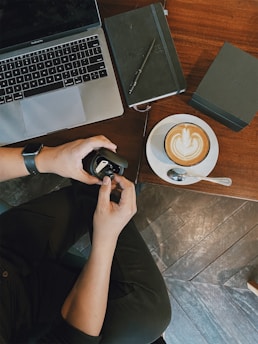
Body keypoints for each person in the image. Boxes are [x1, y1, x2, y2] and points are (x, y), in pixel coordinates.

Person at [0, 135, 171, 343]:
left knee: (92, 177)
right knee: (147, 315)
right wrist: (105, 240)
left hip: (8, 245)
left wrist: (47, 158)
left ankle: (116, 177)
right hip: (34, 322)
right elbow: (71, 338)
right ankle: (124, 185)